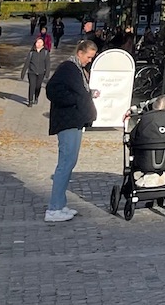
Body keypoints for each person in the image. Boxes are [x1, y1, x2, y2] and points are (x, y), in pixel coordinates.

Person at [44, 39, 98, 223]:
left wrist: (89, 94)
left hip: (74, 121)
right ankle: (54, 208)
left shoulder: (77, 69)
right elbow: (52, 90)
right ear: (80, 53)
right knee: (65, 163)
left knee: (69, 162)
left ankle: (60, 204)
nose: (89, 61)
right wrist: (74, 101)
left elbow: (79, 92)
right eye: (89, 57)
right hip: (67, 121)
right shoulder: (68, 67)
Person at [21, 36, 51, 106]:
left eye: (41, 42)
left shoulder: (45, 52)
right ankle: (30, 101)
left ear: (43, 44)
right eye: (38, 42)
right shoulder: (32, 52)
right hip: (32, 72)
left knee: (38, 86)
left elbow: (48, 63)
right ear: (35, 43)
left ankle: (36, 97)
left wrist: (47, 72)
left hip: (41, 73)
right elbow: (27, 63)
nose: (39, 44)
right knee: (32, 85)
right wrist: (23, 73)